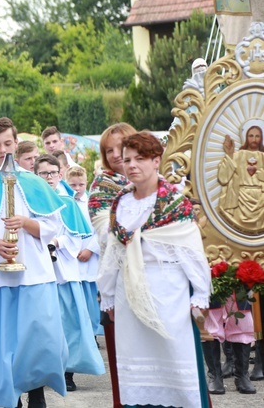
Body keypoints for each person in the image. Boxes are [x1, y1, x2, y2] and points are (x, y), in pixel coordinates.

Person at [97, 132, 211, 408]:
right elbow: (114, 251)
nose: (131, 165)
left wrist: (200, 293)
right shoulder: (120, 203)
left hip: (168, 292)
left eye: (140, 159)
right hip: (129, 293)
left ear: (156, 160)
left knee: (173, 358)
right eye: (127, 160)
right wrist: (108, 293)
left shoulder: (174, 202)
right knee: (136, 366)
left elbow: (191, 251)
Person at [0, 117, 68, 408]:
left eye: (8, 143)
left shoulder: (36, 183)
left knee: (38, 338)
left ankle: (36, 391)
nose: (4, 150)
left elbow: (53, 229)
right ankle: (7, 398)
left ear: (17, 143)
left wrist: (26, 222)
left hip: (34, 275)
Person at [34, 155, 104, 392]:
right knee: (44, 325)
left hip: (64, 271)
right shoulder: (32, 202)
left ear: (60, 174)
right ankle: (45, 372)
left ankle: (68, 372)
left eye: (53, 172)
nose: (49, 177)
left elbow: (76, 237)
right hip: (39, 273)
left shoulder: (68, 203)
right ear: (36, 175)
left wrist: (56, 242)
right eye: (44, 173)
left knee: (69, 325)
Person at [87, 122, 136, 408]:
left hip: (158, 282)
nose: (116, 155)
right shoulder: (102, 185)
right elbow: (104, 230)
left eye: (122, 146)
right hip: (118, 281)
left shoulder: (157, 179)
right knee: (126, 365)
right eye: (109, 150)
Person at [66, 165, 102, 338]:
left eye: (81, 184)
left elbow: (100, 229)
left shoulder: (92, 203)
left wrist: (90, 249)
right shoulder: (65, 204)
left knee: (90, 300)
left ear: (87, 183)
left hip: (89, 258)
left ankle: (93, 334)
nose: (78, 189)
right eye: (73, 185)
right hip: (70, 258)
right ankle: (79, 335)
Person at [217, 121, 264, 234]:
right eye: (251, 135)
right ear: (246, 137)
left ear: (261, 138)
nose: (254, 139)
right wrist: (229, 154)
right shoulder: (237, 155)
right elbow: (223, 179)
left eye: (257, 136)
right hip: (240, 199)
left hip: (261, 201)